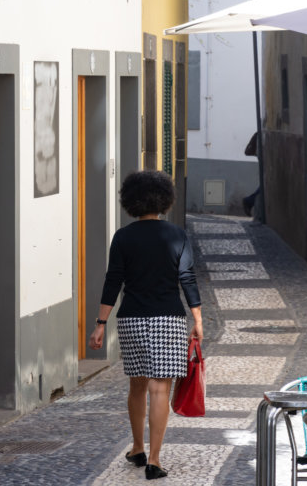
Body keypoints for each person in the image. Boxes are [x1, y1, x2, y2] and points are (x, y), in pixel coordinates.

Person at [89, 170, 203, 480]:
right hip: (168, 318)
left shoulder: (123, 237)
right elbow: (187, 279)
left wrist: (100, 323)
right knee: (159, 389)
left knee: (137, 385)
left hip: (132, 319)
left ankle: (138, 446)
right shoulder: (177, 235)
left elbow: (113, 281)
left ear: (131, 200)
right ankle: (154, 459)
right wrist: (197, 319)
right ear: (164, 200)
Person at [242, 132, 260, 217]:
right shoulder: (259, 135)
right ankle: (249, 201)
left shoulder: (258, 134)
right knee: (264, 187)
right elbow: (247, 151)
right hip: (265, 164)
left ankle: (249, 201)